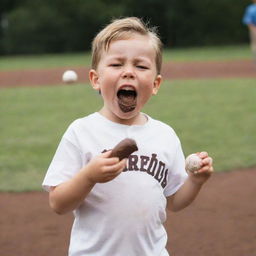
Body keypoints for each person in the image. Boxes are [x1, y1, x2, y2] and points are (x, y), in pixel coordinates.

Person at [42, 17, 214, 256]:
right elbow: (58, 204)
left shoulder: (164, 135)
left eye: (141, 66)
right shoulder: (81, 132)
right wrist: (88, 176)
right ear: (96, 80)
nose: (129, 73)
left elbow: (174, 201)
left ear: (155, 84)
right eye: (116, 64)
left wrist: (195, 181)